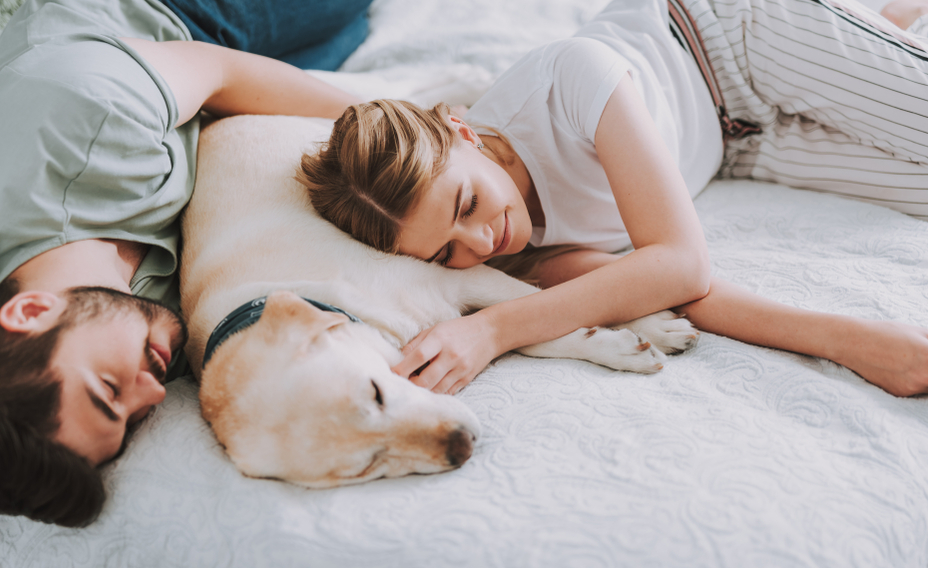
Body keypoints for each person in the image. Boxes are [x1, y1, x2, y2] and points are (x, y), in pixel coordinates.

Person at [298, 0, 928, 400]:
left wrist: (491, 329)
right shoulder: (512, 260)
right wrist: (859, 342)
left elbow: (683, 262)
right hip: (736, 144)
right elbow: (676, 291)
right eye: (444, 254)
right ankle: (879, 25)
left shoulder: (569, 76)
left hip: (732, 36)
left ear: (462, 128)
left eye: (466, 206)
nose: (480, 243)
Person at [0, 0, 364, 527]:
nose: (154, 392)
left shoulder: (85, 118)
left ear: (30, 313)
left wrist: (396, 131)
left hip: (173, 16)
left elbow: (221, 70)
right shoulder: (104, 329)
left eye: (109, 389)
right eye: (131, 421)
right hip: (183, 100)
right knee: (355, 32)